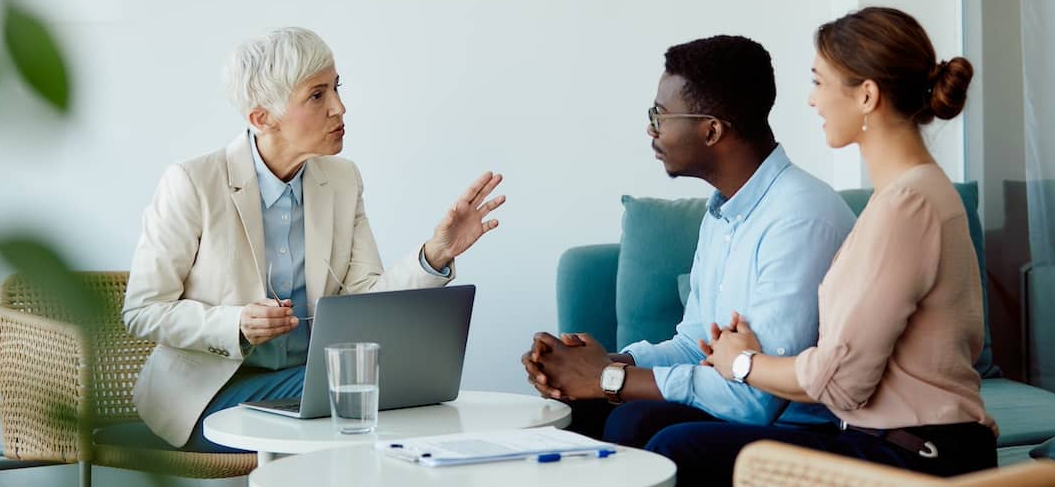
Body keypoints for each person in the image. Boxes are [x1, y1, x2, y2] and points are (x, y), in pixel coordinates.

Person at [646, 7, 997, 483]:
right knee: (659, 431)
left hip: (917, 455)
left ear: (866, 96)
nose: (812, 102)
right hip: (895, 439)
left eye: (819, 82)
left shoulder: (907, 206)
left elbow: (841, 381)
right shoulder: (906, 196)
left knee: (679, 447)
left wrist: (745, 362)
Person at [121, 27, 505, 451]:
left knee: (387, 394)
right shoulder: (193, 183)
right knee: (366, 399)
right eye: (317, 95)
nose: (340, 108)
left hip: (312, 386)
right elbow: (143, 311)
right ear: (262, 117)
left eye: (336, 88)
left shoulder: (343, 180)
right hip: (210, 396)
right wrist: (236, 324)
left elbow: (367, 300)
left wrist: (436, 253)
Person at [521, 35, 856, 448]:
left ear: (711, 130)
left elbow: (755, 398)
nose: (651, 129)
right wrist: (603, 364)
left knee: (637, 425)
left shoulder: (800, 219)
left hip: (797, 428)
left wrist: (608, 379)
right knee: (575, 409)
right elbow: (695, 346)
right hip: (737, 408)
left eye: (660, 116)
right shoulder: (723, 212)